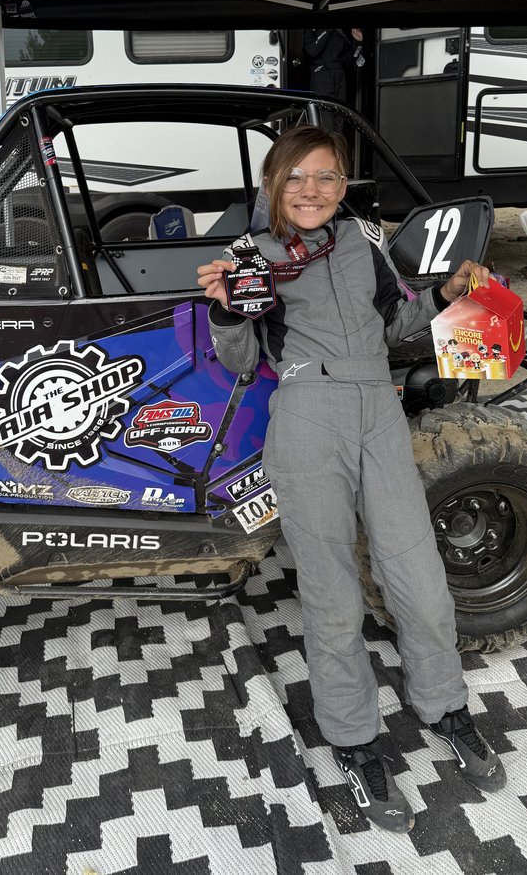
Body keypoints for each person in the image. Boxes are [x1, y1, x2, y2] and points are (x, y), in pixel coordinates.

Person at [197, 125, 506, 834]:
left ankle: (444, 705)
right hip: (307, 413)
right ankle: (355, 738)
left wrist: (448, 293)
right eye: (296, 176)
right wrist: (224, 309)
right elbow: (239, 360)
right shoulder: (248, 256)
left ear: (343, 184)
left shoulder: (362, 240)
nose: (311, 190)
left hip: (379, 411)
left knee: (419, 574)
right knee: (331, 592)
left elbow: (397, 321)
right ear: (273, 184)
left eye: (327, 176)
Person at [303, 28, 365, 131]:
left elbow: (348, 63)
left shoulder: (341, 32)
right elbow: (311, 50)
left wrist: (356, 42)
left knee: (339, 119)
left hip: (339, 77)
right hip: (321, 76)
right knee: (325, 122)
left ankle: (336, 141)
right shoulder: (313, 30)